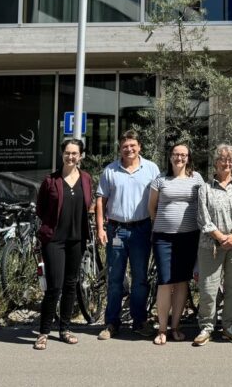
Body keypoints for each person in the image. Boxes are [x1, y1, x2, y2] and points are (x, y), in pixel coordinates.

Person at [95, 129, 159, 340]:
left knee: (140, 278)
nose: (129, 149)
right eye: (125, 146)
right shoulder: (110, 171)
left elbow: (159, 199)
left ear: (139, 146)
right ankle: (112, 323)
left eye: (133, 145)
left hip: (142, 229)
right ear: (120, 149)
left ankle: (139, 321)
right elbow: (100, 201)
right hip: (117, 230)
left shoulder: (151, 169)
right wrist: (101, 229)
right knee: (115, 278)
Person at [33, 138, 93, 350]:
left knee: (71, 284)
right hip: (54, 241)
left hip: (77, 239)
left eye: (74, 153)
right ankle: (43, 332)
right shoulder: (51, 180)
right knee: (55, 286)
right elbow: (40, 208)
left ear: (80, 156)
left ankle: (65, 329)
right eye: (67, 153)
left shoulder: (86, 179)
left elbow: (88, 204)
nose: (70, 157)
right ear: (62, 154)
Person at [193, 143, 232, 347]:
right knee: (208, 289)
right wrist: (219, 237)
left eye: (230, 159)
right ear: (215, 162)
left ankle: (228, 326)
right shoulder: (205, 188)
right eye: (222, 159)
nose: (226, 163)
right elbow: (203, 218)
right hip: (211, 246)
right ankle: (207, 327)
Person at [149, 141, 204, 344]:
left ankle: (175, 326)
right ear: (170, 156)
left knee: (182, 282)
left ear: (188, 157)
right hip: (164, 237)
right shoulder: (160, 179)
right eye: (175, 154)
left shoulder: (196, 178)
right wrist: (161, 225)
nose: (179, 158)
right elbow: (151, 207)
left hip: (189, 237)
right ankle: (161, 329)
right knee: (165, 281)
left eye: (183, 154)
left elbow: (202, 204)